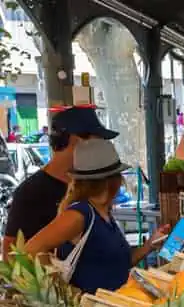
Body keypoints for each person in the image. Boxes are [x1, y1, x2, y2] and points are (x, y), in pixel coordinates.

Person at [24, 138, 170, 293]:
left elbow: (119, 266)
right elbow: (31, 249)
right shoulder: (79, 214)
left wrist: (149, 245)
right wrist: (59, 286)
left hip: (114, 306)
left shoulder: (103, 213)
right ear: (111, 181)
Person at [5, 107, 118, 257]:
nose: (101, 148)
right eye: (97, 141)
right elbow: (11, 254)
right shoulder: (30, 192)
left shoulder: (91, 184)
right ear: (75, 139)